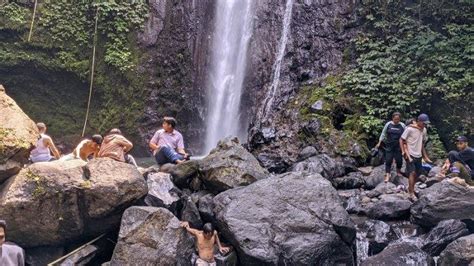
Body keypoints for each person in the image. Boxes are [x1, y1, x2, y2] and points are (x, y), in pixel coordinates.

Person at [400, 114, 432, 201]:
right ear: (419, 121)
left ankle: (411, 188)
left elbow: (422, 143)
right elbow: (402, 139)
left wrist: (425, 156)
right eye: (423, 123)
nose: (425, 125)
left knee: (417, 174)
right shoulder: (409, 129)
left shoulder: (424, 130)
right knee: (412, 173)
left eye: (426, 123)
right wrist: (403, 152)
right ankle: (411, 193)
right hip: (410, 154)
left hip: (418, 155)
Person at [376, 112, 406, 182]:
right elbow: (383, 133)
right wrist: (379, 142)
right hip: (389, 145)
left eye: (398, 119)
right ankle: (387, 175)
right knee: (388, 160)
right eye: (395, 119)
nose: (396, 121)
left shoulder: (402, 125)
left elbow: (406, 135)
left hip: (398, 146)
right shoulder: (388, 124)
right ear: (392, 118)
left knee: (399, 160)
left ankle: (398, 171)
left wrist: (405, 144)